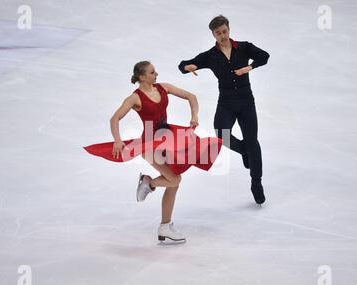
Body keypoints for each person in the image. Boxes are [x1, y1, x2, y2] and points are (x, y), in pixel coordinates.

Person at [84, 61, 222, 242]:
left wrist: (194, 115)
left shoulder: (163, 88)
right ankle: (149, 184)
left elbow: (191, 96)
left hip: (167, 137)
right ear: (142, 77)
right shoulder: (135, 98)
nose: (156, 74)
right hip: (150, 143)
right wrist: (118, 141)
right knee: (175, 179)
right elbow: (114, 118)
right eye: (152, 72)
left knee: (176, 180)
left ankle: (165, 226)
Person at [178, 15, 269, 205]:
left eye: (224, 31)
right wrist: (188, 66)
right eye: (218, 33)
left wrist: (249, 68)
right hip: (226, 102)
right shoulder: (211, 56)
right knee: (221, 134)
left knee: (253, 141)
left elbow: (264, 56)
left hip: (246, 101)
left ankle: (256, 182)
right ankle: (244, 151)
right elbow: (183, 65)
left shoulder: (244, 47)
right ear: (213, 34)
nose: (222, 35)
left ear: (229, 29)